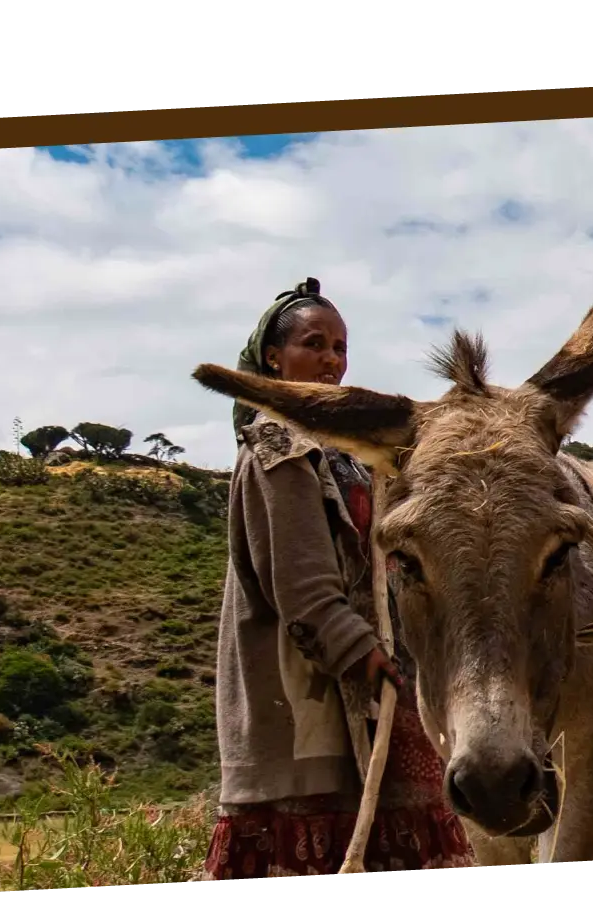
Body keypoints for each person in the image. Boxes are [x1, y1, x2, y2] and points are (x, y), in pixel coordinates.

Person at [202, 277, 471, 882]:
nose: (330, 360)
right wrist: (362, 653)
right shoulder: (278, 444)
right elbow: (300, 584)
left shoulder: (349, 451)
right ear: (274, 357)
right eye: (314, 343)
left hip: (384, 672)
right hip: (314, 681)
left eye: (340, 348)